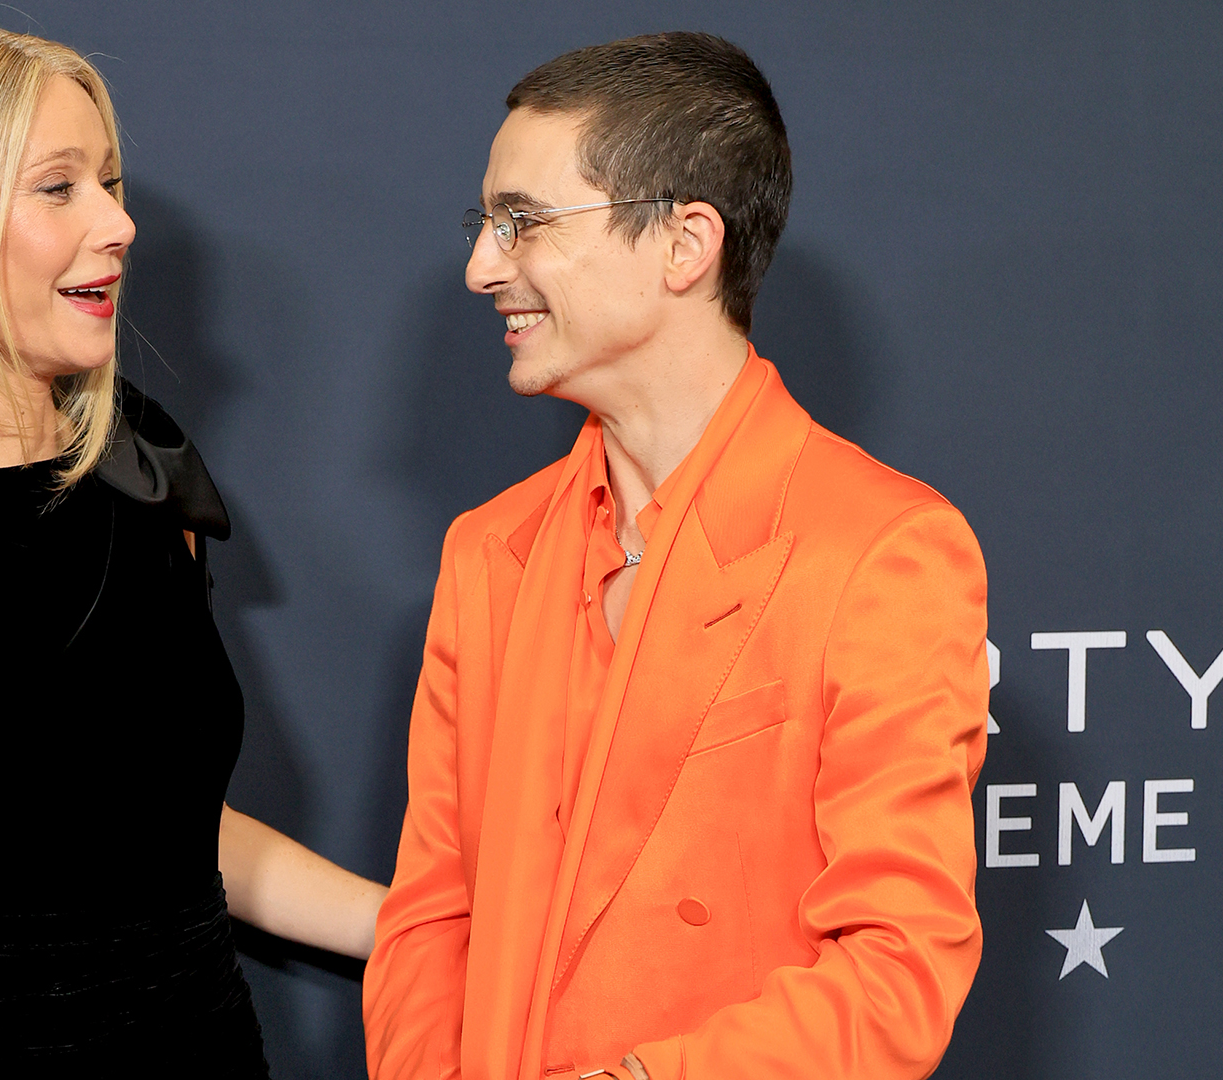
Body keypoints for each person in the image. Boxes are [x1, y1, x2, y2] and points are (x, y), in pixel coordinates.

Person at [0, 27, 384, 1078]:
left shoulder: (148, 499)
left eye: (110, 181)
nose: (120, 223)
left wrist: (433, 928)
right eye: (59, 189)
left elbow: (170, 838)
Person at [364, 32, 988, 1080]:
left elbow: (900, 965)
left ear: (683, 244)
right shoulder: (488, 553)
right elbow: (433, 914)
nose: (481, 267)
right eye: (485, 224)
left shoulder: (883, 549)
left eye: (523, 223)